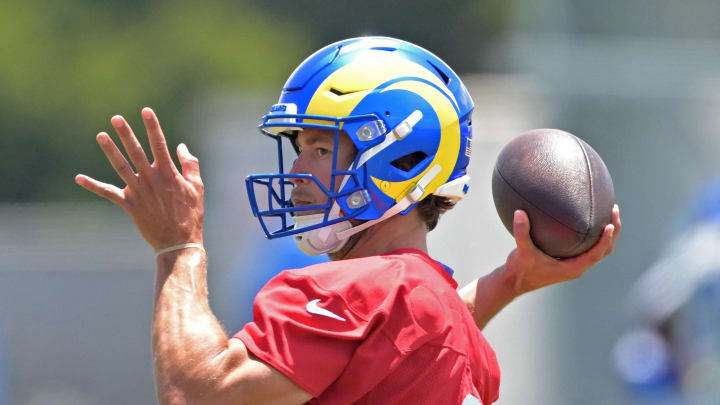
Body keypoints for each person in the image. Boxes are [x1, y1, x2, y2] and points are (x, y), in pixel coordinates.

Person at [76, 37, 621, 405]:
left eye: (318, 148)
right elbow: (403, 335)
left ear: (398, 156)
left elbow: (198, 394)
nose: (296, 172)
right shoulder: (424, 303)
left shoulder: (363, 290)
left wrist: (178, 247)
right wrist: (513, 280)